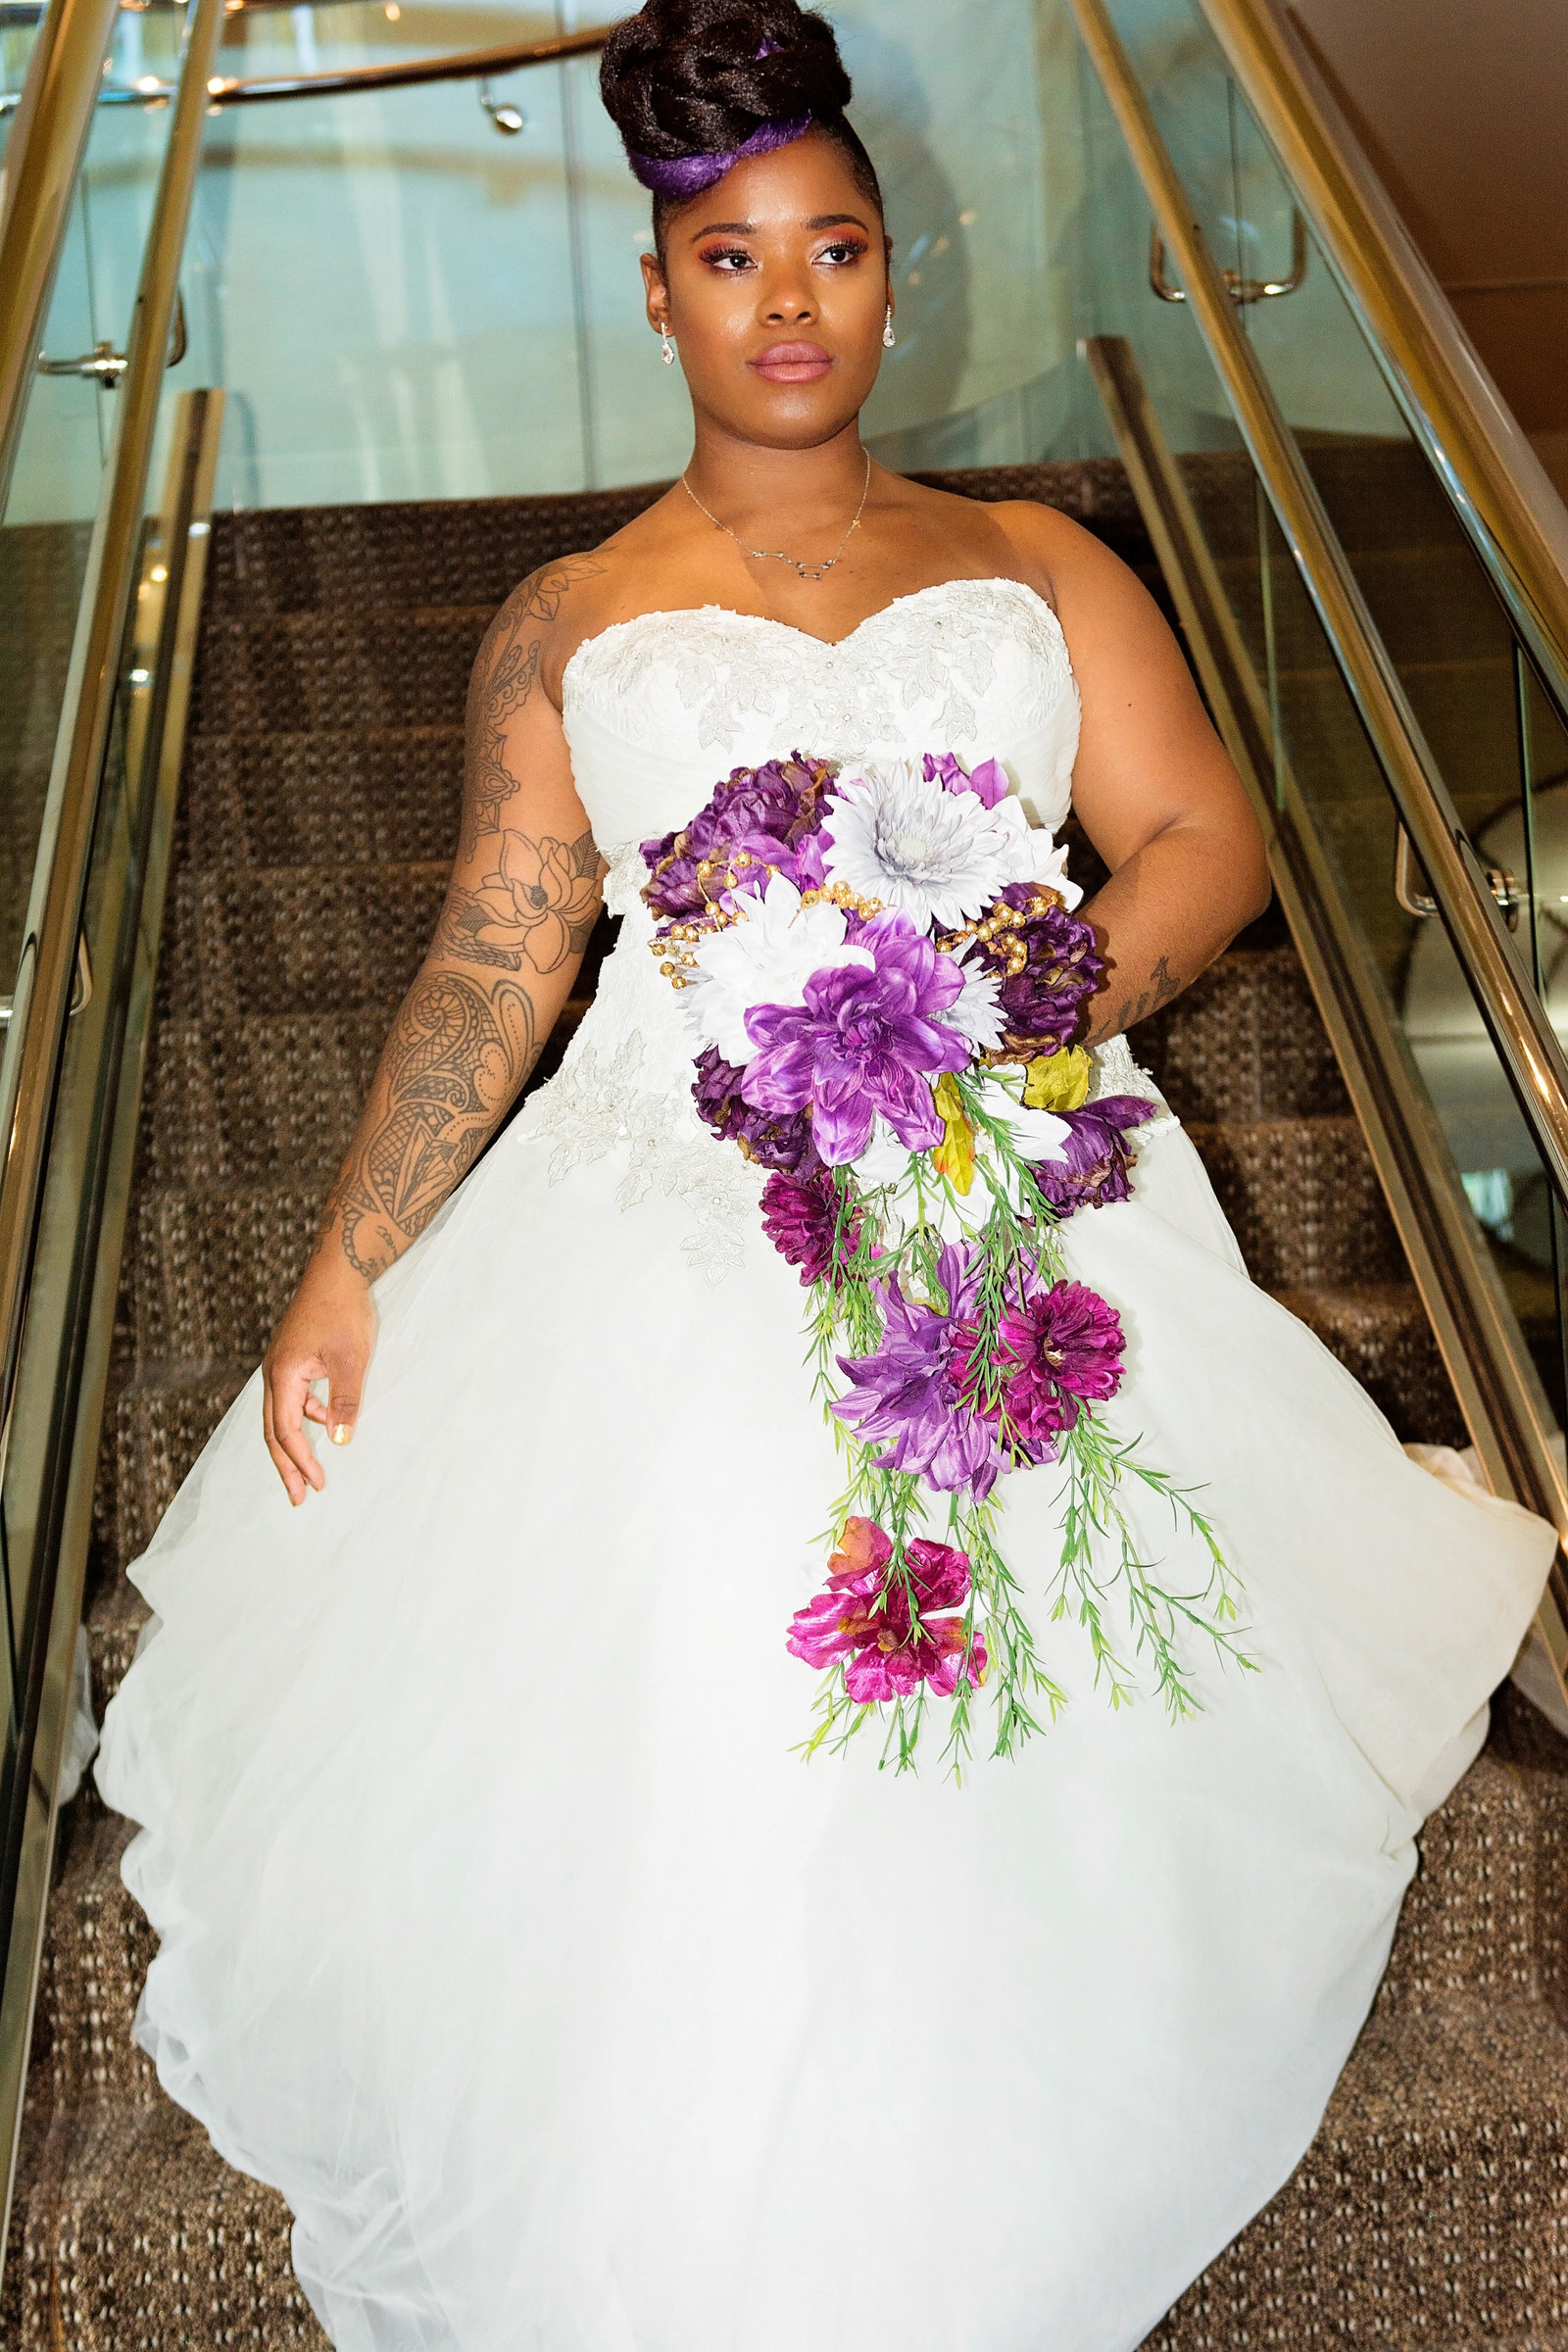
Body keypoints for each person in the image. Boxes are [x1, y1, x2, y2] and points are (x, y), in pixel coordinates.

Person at [96, 3, 1555, 2345]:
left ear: (893, 279)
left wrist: (1052, 989)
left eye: (834, 247)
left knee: (1044, 1637)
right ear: (658, 290)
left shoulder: (1034, 563)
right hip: (665, 1210)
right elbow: (500, 941)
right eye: (730, 256)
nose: (788, 299)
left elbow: (1205, 836)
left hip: (1007, 1185)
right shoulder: (563, 620)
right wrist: (347, 1262)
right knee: (700, 1559)